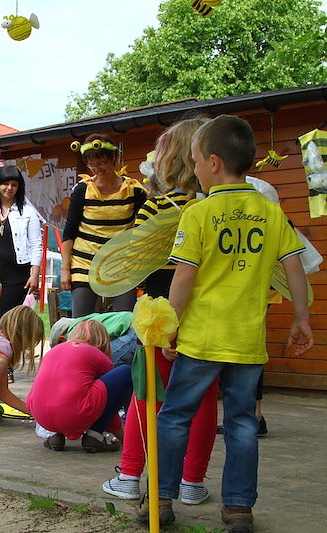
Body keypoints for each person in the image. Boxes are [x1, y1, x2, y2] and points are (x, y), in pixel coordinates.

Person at [138, 115, 313, 532]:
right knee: (241, 424)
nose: (194, 168)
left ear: (213, 163)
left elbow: (184, 275)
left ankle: (160, 500)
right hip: (248, 342)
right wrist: (301, 319)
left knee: (175, 417)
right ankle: (238, 509)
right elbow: (294, 268)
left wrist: (169, 325)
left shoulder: (199, 213)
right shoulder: (269, 212)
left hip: (200, 340)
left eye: (196, 160)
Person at [102, 117, 218, 504]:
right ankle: (192, 482)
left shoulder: (154, 207)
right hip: (203, 315)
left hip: (158, 312)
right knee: (202, 398)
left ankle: (131, 474)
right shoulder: (210, 208)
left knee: (146, 394)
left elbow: (136, 261)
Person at [60, 134, 146, 317]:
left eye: (101, 163)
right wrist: (65, 270)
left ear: (114, 158)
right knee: (80, 324)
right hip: (84, 264)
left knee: (123, 322)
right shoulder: (82, 190)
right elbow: (69, 232)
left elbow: (143, 231)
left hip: (121, 264)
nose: (97, 169)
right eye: (91, 164)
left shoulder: (134, 191)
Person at [27, 320, 132, 453]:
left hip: (40, 416)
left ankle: (54, 434)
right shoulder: (95, 353)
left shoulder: (54, 350)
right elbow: (109, 399)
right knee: (126, 372)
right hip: (72, 414)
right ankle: (95, 435)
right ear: (102, 341)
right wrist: (123, 437)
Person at [0, 165, 42, 323]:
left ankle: (6, 348)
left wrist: (34, 275)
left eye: (14, 184)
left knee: (5, 320)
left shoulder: (27, 212)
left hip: (16, 276)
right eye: (5, 184)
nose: (9, 188)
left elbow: (35, 245)